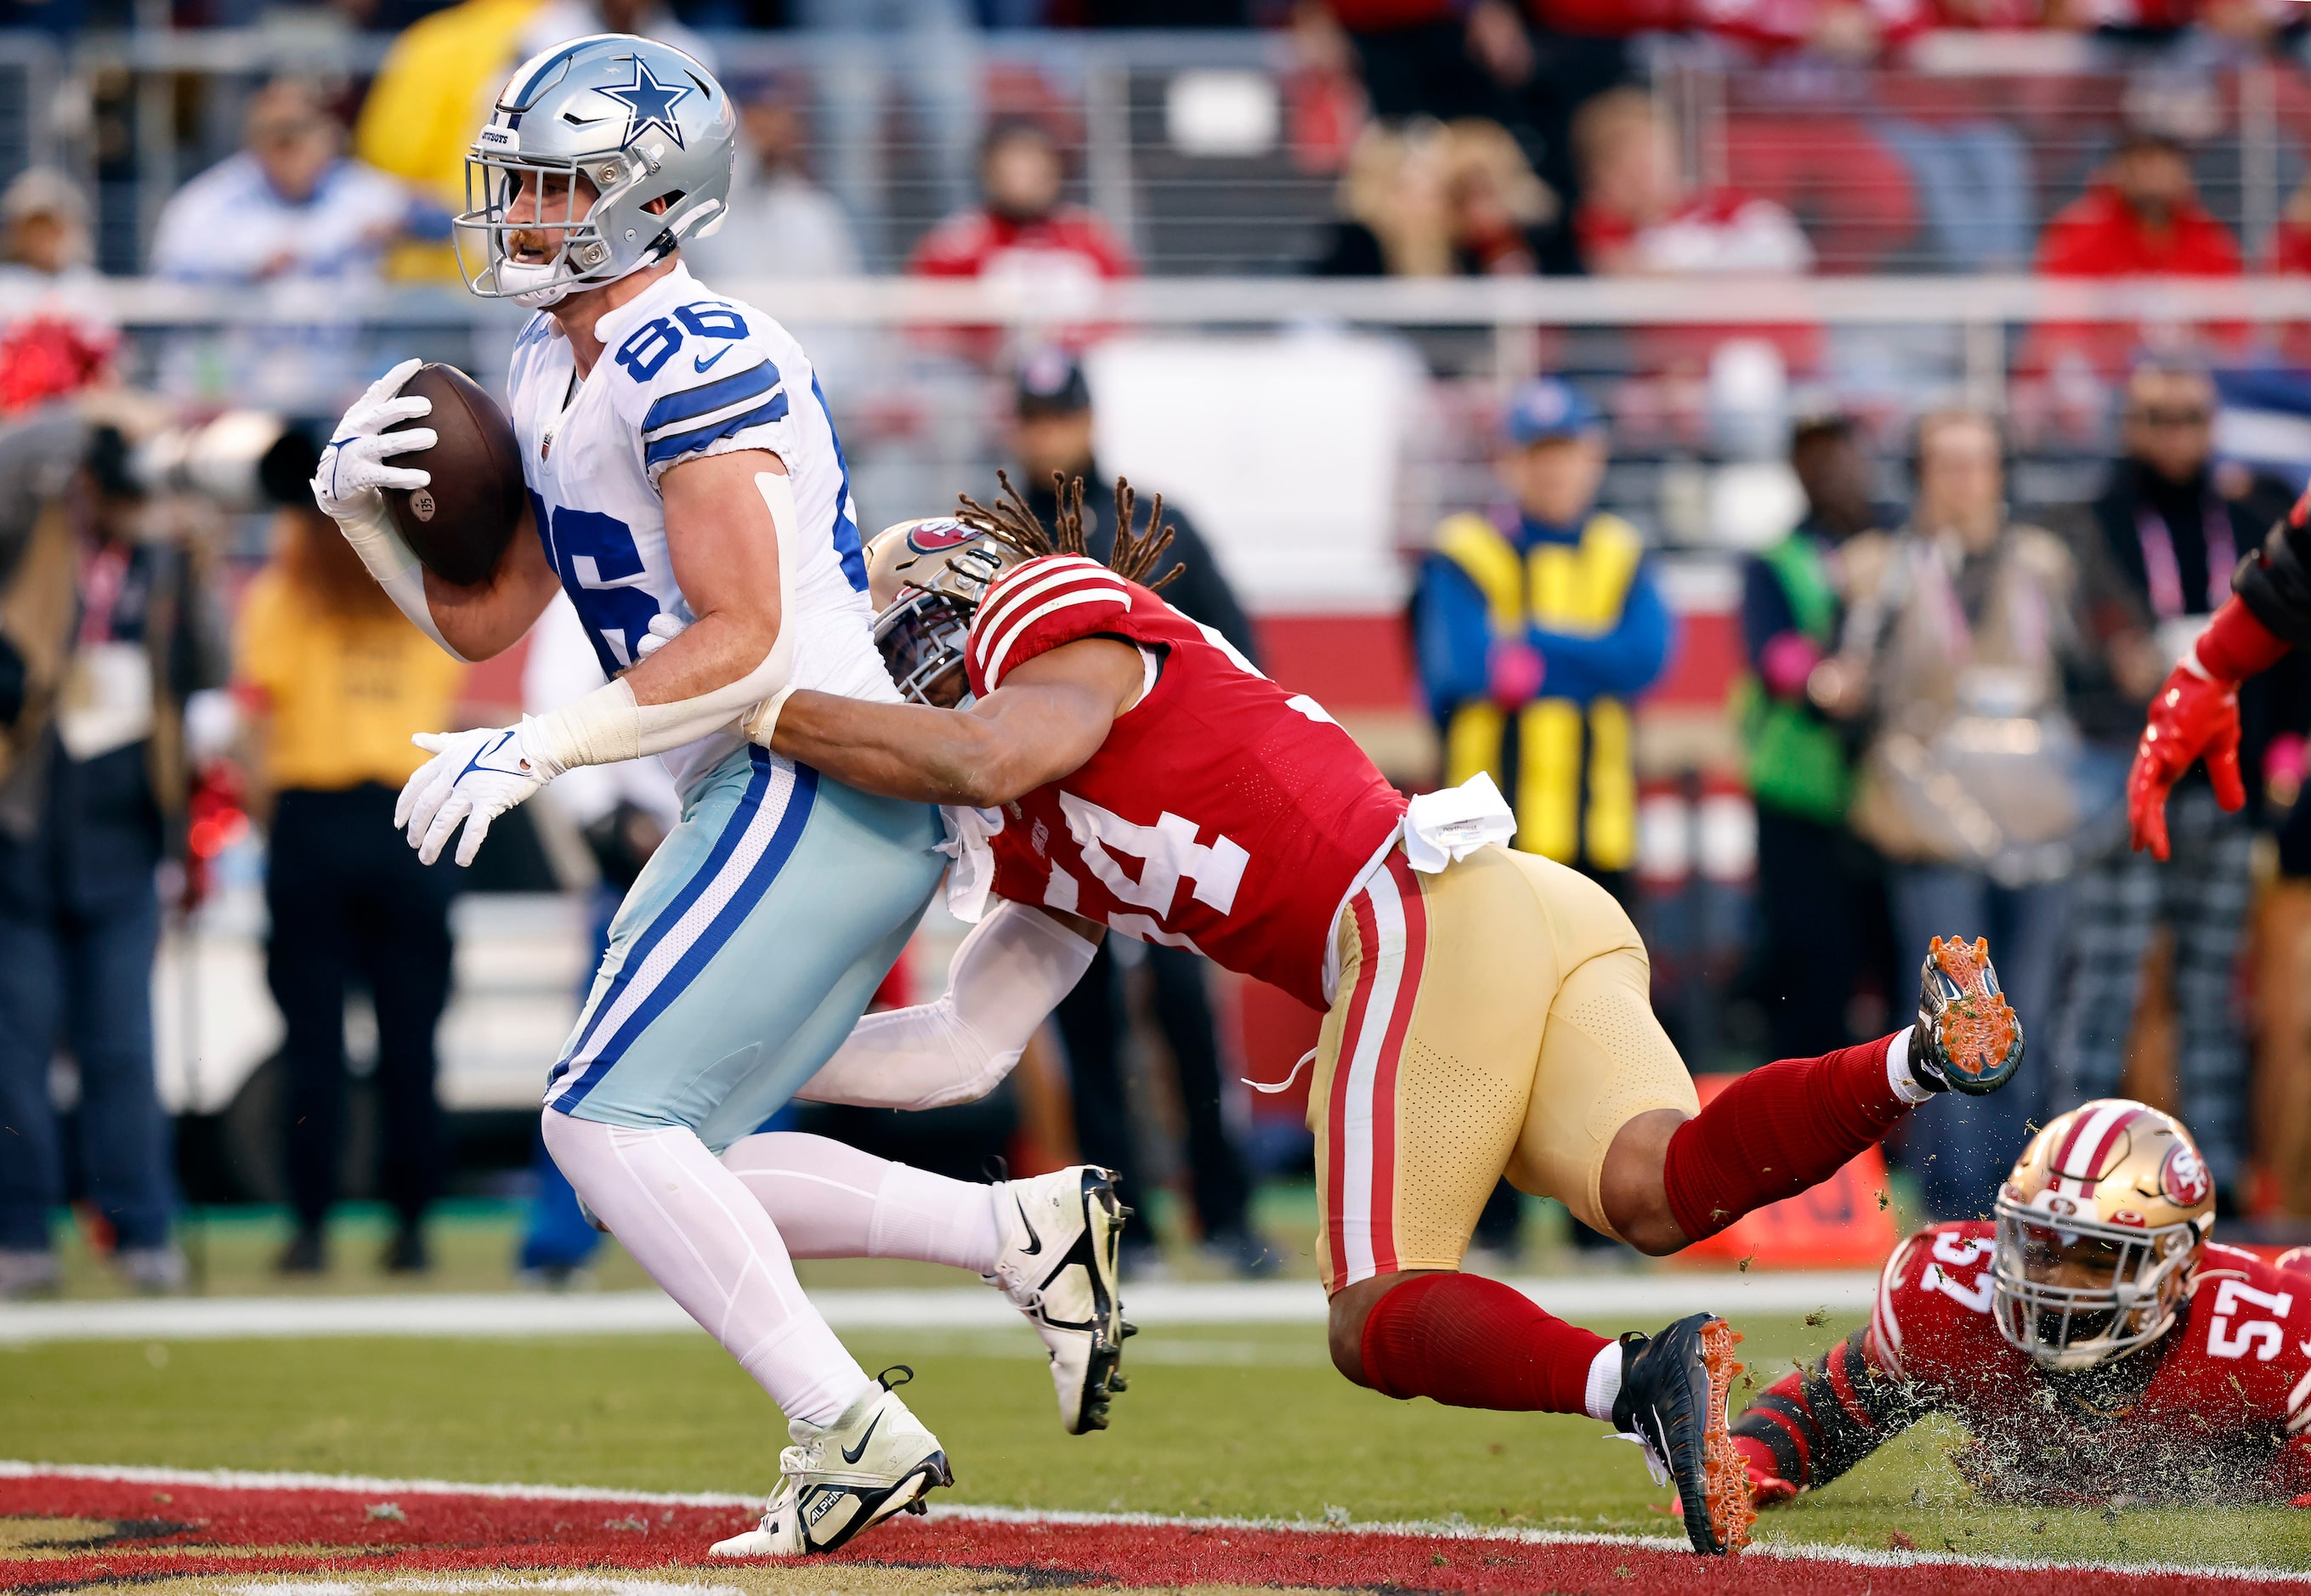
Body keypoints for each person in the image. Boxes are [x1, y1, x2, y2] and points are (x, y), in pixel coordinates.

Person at [704, 481, 2041, 1559]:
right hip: (1504, 902)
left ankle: (1632, 1384)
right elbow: (960, 1043)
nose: (909, 676)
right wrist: (747, 1066)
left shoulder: (1053, 623)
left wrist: (754, 703)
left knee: (1369, 1311)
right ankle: (1917, 1055)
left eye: (906, 643)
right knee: (1655, 1184)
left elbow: (988, 747)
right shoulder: (1030, 832)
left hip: (1402, 911)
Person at [307, 37, 1123, 1559]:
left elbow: (743, 636)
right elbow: (489, 620)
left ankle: (848, 1426)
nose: (520, 209)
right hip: (745, 781)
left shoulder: (700, 353)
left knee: (596, 1119)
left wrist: (543, 747)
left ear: (650, 197)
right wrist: (366, 528)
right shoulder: (552, 362)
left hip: (811, 761)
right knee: (676, 1150)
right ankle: (1013, 1231)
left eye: (552, 184)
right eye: (521, 180)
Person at [1005, 348, 1268, 1277]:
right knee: (1087, 1021)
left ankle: (1227, 1213)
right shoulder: (997, 535)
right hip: (1059, 819)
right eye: (1034, 421)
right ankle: (1130, 1228)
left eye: (1059, 418)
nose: (1048, 437)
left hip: (1165, 812)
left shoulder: (1151, 526)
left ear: (1087, 419)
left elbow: (1237, 657)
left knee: (1190, 1015)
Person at [1733, 1101, 2311, 1504]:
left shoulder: (2268, 1328)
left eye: (2097, 1257)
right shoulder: (1951, 1294)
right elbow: (1822, 1408)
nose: (2056, 1280)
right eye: (2040, 1248)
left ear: (2177, 1268)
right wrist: (1741, 1464)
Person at [1819, 409, 2089, 1220]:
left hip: (2039, 818)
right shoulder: (1878, 569)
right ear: (1919, 475)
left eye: (1977, 464)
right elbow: (1847, 675)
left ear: (2002, 473)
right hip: (1929, 819)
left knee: (2030, 1010)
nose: (1963, 482)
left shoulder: (2046, 565)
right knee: (1948, 1014)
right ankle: (1954, 1208)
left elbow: (2094, 673)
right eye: (1946, 464)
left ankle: (2023, 1201)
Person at [2046, 366, 2292, 1214]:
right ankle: (2059, 1175)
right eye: (2155, 418)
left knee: (2211, 992)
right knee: (2103, 986)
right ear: (2128, 425)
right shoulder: (2093, 526)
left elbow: (2291, 652)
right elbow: (2071, 647)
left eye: (2189, 417)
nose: (2174, 435)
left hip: (2224, 790)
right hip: (2123, 779)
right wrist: (2122, 662)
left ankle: (2217, 1177)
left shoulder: (2253, 519)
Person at [0, 410, 227, 1299]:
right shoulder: (28, 537)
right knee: (14, 1048)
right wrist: (87, 428)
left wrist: (199, 571)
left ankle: (141, 1227)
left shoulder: (165, 563)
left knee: (123, 1048)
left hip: (124, 830)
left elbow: (211, 667)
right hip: (26, 827)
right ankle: (21, 1232)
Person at [233, 427, 467, 1276]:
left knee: (313, 1044)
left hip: (312, 818)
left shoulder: (281, 597)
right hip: (409, 819)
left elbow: (252, 730)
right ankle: (410, 1226)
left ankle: (311, 1226)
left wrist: (276, 825)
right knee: (412, 1041)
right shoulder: (423, 593)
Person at [1413, 376, 1673, 905]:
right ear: (1507, 462)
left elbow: (1644, 661)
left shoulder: (1620, 550)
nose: (1553, 470)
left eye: (1565, 452)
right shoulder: (1464, 550)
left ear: (1594, 458)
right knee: (1488, 984)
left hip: (1600, 827)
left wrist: (1529, 644)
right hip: (1478, 837)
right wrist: (1597, 661)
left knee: (1599, 985)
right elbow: (1465, 669)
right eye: (1536, 454)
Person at [1739, 412, 1880, 1061]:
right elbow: (1775, 656)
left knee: (1893, 959)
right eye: (1814, 458)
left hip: (1887, 790)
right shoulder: (1777, 559)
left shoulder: (1897, 545)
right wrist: (1826, 679)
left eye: (1840, 455)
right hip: (1801, 789)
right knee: (1808, 961)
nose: (1831, 472)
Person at [907, 118, 1135, 362]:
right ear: (990, 174)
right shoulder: (958, 243)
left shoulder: (1088, 235)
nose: (1025, 180)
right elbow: (923, 326)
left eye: (1035, 168)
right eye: (1014, 170)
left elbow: (1127, 312)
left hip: (1083, 376)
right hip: (983, 379)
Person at [150, 80, 418, 284]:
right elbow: (169, 276)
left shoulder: (356, 189)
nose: (289, 149)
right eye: (275, 136)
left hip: (342, 353)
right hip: (242, 351)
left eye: (298, 131)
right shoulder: (209, 200)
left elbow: (442, 217)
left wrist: (404, 221)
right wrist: (244, 269)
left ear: (330, 135)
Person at [1306, 118, 1564, 278]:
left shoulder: (1463, 249)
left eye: (1435, 185)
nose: (1429, 196)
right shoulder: (1358, 246)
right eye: (1408, 185)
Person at [683, 76, 862, 283]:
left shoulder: (814, 212)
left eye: (781, 113)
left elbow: (844, 298)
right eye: (761, 113)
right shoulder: (700, 211)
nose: (775, 127)